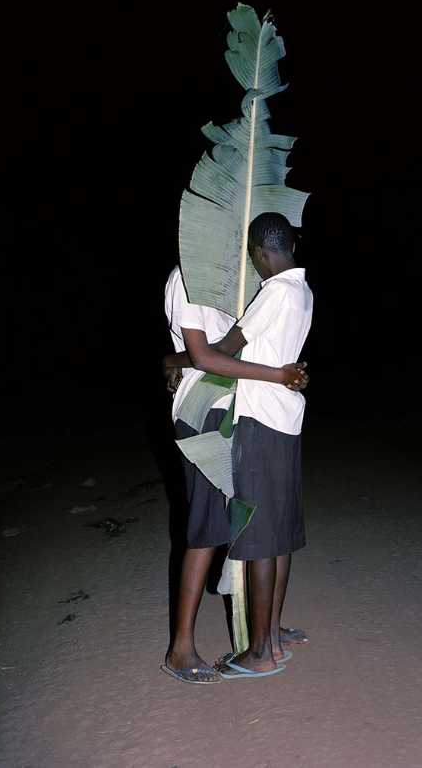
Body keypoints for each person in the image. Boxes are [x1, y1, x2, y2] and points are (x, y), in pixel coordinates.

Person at [161, 256, 308, 684]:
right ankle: (180, 649)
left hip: (242, 410)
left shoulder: (234, 278)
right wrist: (278, 375)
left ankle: (266, 630)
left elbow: (243, 340)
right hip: (204, 411)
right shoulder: (186, 277)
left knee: (257, 520)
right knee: (208, 528)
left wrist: (171, 362)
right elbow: (204, 356)